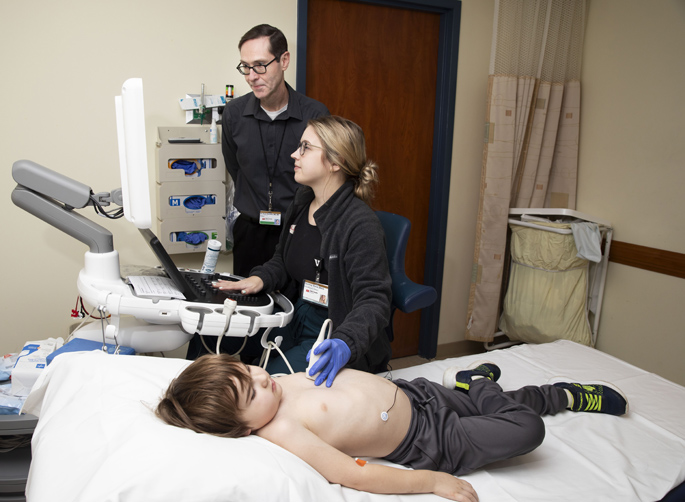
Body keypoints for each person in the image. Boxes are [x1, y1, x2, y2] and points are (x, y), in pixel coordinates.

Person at [156, 355, 629, 502]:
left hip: (419, 392)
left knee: (506, 409)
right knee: (524, 430)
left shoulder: (274, 384)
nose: (262, 378)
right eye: (250, 392)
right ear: (241, 430)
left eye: (247, 370)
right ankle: (480, 381)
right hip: (431, 441)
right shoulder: (281, 431)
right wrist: (432, 481)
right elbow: (354, 474)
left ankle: (560, 395)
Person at [213, 115, 392, 383]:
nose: (294, 154)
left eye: (306, 147)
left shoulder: (360, 224)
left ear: (335, 162)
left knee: (263, 386)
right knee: (212, 334)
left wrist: (345, 342)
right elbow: (283, 261)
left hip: (331, 333)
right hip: (294, 316)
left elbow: (374, 300)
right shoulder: (303, 201)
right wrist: (259, 278)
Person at [223, 24, 329, 278]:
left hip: (299, 231)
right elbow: (235, 168)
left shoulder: (314, 115)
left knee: (295, 310)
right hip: (250, 233)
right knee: (249, 310)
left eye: (260, 65)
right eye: (245, 67)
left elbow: (323, 178)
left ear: (284, 60)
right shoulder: (234, 114)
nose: (251, 76)